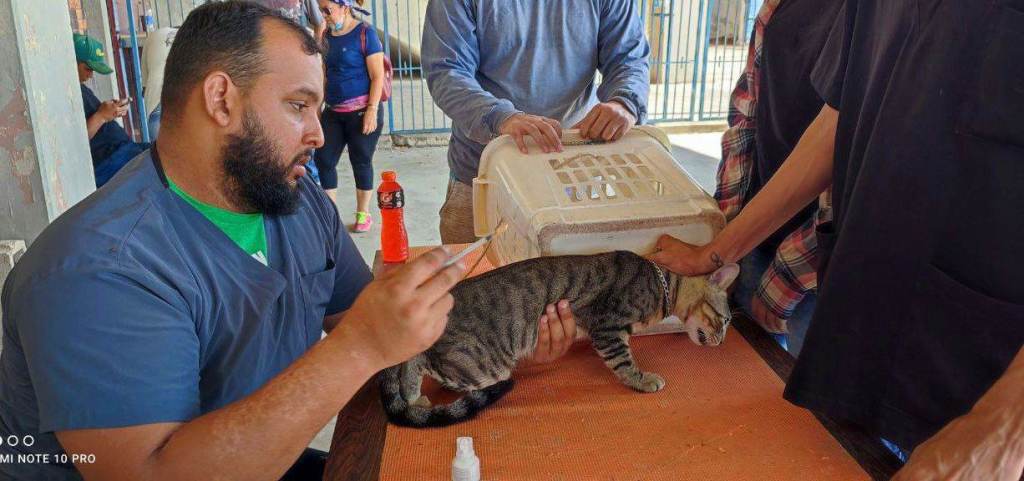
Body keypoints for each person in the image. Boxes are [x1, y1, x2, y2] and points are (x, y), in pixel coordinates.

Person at [0, 4, 574, 480]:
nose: (319, 134)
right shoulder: (98, 272)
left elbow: (371, 323)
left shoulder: (294, 203)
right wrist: (359, 348)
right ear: (221, 99)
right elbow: (153, 472)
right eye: (298, 106)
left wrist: (505, 348)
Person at [649, 0, 1024, 478]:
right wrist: (717, 252)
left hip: (978, 387)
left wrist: (1004, 433)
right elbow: (837, 122)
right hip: (860, 338)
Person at [421, 0, 651, 244]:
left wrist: (625, 102)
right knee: (470, 265)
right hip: (484, 177)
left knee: (572, 265)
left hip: (573, 171)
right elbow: (447, 72)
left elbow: (629, 59)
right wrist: (501, 117)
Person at [716, 0, 843, 356]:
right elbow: (745, 119)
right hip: (755, 246)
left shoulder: (879, 23)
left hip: (819, 274)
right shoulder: (775, 10)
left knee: (805, 385)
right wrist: (725, 235)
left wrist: (786, 279)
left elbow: (858, 178)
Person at [312, 0, 385, 232]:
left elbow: (377, 76)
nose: (324, 15)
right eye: (321, 10)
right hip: (334, 110)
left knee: (360, 161)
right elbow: (322, 74)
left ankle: (363, 214)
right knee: (323, 159)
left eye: (328, 10)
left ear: (344, 7)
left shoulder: (365, 33)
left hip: (362, 110)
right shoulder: (326, 36)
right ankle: (331, 216)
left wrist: (372, 110)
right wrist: (317, 108)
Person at [74, 33, 150, 187]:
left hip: (124, 150)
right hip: (111, 161)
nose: (90, 75)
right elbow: (75, 142)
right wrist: (102, 116)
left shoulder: (80, 88)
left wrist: (110, 111)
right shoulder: (66, 95)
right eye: (87, 69)